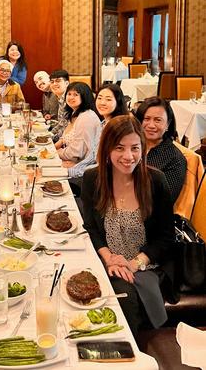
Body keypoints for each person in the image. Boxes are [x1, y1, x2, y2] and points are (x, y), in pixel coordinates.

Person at [81, 115, 175, 336]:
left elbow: (165, 238)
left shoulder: (156, 181)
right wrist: (110, 258)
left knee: (124, 296)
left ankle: (128, 352)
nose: (128, 156)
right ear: (107, 149)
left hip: (146, 266)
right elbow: (91, 228)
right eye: (119, 148)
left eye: (135, 148)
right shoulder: (92, 179)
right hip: (107, 261)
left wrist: (134, 263)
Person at [136, 97, 187, 204]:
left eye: (157, 120)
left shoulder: (175, 159)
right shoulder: (132, 145)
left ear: (168, 124)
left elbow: (165, 201)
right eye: (146, 119)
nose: (151, 125)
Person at [55, 82, 102, 179]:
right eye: (69, 94)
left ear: (84, 97)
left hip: (83, 168)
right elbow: (65, 138)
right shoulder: (75, 113)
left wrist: (55, 153)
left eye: (76, 95)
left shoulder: (86, 117)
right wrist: (52, 148)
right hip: (71, 160)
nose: (71, 97)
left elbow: (77, 152)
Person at [48, 69, 70, 141]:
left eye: (58, 81)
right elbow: (61, 123)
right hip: (61, 138)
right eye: (52, 82)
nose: (54, 84)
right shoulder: (60, 99)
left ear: (67, 83)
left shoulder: (69, 100)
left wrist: (51, 138)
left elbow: (67, 128)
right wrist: (50, 134)